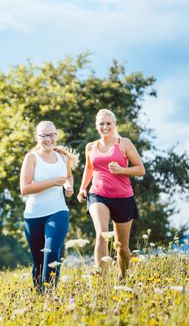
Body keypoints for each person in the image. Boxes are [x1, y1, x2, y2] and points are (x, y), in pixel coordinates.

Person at [77, 109, 145, 278]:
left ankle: (124, 277)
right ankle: (102, 279)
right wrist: (82, 188)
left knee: (121, 246)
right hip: (98, 194)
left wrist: (122, 170)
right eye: (101, 123)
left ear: (114, 125)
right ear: (96, 126)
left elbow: (140, 169)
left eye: (108, 123)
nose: (105, 127)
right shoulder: (90, 147)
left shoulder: (124, 143)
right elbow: (90, 168)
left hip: (123, 197)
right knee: (101, 234)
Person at [20, 121, 78, 291]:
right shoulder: (31, 158)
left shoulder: (62, 157)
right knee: (38, 261)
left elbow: (68, 176)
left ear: (56, 136)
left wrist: (68, 187)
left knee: (51, 252)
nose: (48, 139)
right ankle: (39, 296)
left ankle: (50, 294)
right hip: (33, 215)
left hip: (58, 211)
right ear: (37, 137)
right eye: (44, 135)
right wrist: (52, 182)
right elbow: (25, 188)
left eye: (52, 135)